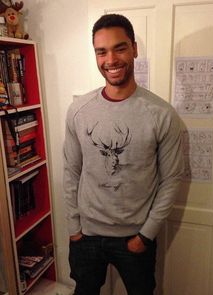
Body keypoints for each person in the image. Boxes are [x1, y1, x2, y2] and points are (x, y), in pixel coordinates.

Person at [63, 13, 184, 295]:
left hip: (136, 237)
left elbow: (171, 179)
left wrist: (146, 235)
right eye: (101, 51)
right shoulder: (79, 110)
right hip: (87, 236)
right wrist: (73, 227)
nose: (111, 60)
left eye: (120, 48)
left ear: (134, 49)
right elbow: (71, 170)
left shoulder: (162, 114)